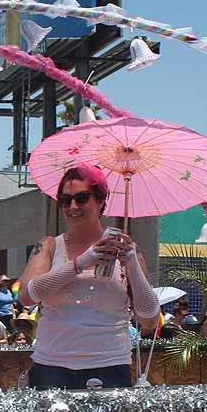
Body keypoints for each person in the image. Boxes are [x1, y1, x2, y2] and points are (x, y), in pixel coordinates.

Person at [19, 166, 160, 390]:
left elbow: (149, 319)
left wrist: (132, 265)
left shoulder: (127, 250)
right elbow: (26, 296)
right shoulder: (49, 245)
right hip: (51, 366)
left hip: (109, 366)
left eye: (82, 198)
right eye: (65, 200)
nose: (73, 207)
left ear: (101, 201)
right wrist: (82, 262)